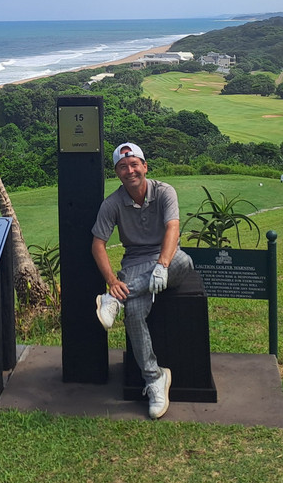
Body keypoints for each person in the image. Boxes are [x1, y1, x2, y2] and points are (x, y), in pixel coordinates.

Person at [91, 142, 194, 419]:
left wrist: (162, 264)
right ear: (117, 173)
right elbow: (98, 244)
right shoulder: (112, 204)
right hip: (135, 263)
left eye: (134, 164)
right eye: (123, 167)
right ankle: (155, 378)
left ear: (145, 166)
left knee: (184, 262)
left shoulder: (164, 191)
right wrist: (112, 280)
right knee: (134, 312)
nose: (130, 171)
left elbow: (173, 227)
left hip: (168, 257)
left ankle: (114, 301)